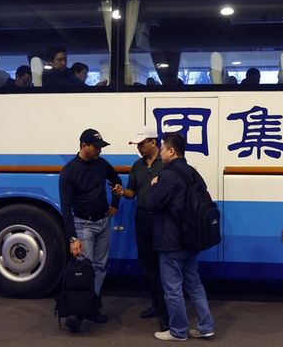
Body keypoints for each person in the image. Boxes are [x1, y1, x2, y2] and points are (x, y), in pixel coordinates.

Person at [146, 133, 215, 341]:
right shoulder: (193, 173)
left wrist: (154, 185)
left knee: (173, 289)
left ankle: (177, 331)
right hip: (192, 239)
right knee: (194, 284)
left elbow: (151, 204)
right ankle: (206, 326)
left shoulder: (167, 176)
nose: (161, 152)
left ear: (171, 151)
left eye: (163, 148)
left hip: (171, 242)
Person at [59, 128, 122, 332]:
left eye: (100, 147)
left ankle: (92, 308)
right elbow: (66, 208)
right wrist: (72, 238)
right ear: (83, 146)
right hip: (83, 225)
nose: (99, 151)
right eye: (96, 148)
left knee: (99, 268)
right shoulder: (69, 172)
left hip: (103, 222)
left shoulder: (101, 164)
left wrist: (116, 203)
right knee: (84, 270)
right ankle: (77, 313)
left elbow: (117, 181)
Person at [112, 127, 168, 330]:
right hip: (143, 218)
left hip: (162, 219)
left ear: (153, 142)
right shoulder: (137, 166)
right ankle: (155, 304)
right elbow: (131, 193)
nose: (139, 148)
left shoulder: (166, 163)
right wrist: (121, 191)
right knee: (148, 265)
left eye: (142, 144)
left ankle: (166, 311)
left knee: (165, 266)